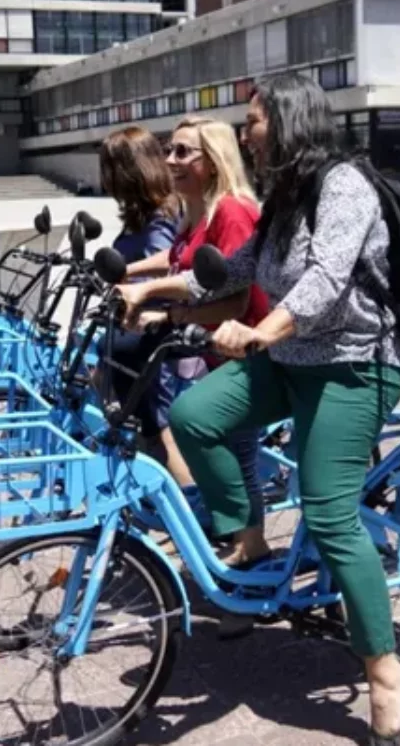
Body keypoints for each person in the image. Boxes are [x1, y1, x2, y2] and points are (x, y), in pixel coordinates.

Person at [117, 75, 400, 745]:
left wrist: (262, 332)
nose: (247, 133)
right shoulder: (284, 195)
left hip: (354, 367)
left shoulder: (345, 187)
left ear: (287, 123)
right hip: (292, 362)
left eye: (254, 122)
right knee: (195, 415)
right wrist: (153, 292)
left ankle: (383, 666)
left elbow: (325, 280)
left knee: (329, 509)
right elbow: (230, 269)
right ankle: (248, 536)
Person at [118, 117, 270, 565]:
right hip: (215, 352)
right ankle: (226, 533)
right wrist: (130, 275)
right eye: (169, 150)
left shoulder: (233, 211)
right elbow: (181, 258)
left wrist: (164, 311)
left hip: (249, 351)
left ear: (215, 161)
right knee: (202, 436)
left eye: (183, 152)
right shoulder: (200, 211)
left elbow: (235, 299)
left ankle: (251, 551)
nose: (169, 160)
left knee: (235, 450)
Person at [97, 126, 182, 458]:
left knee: (157, 427)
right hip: (134, 325)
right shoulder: (141, 213)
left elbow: (167, 261)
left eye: (108, 166)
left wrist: (128, 276)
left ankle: (188, 504)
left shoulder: (160, 216)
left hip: (154, 329)